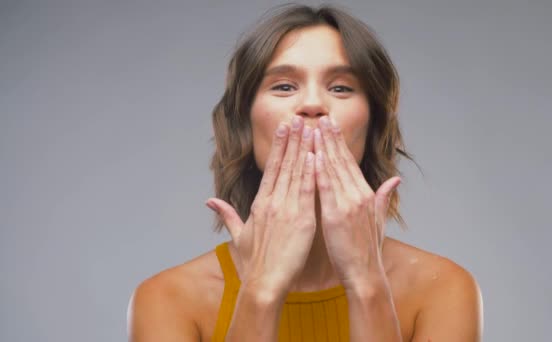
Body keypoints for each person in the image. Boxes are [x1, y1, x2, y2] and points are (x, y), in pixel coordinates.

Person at [127, 4, 483, 341]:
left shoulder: (443, 289)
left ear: (372, 123)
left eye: (341, 87)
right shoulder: (167, 298)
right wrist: (261, 291)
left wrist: (365, 283)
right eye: (283, 86)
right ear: (245, 123)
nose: (312, 105)